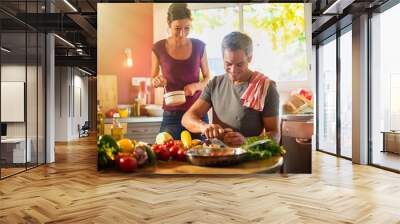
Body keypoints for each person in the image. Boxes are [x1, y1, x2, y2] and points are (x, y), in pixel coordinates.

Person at [182, 32, 280, 147]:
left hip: (249, 156)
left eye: (239, 64)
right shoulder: (214, 84)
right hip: (219, 154)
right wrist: (204, 126)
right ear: (222, 58)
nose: (233, 70)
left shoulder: (266, 88)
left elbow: (275, 135)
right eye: (228, 64)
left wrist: (247, 141)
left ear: (250, 58)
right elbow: (186, 118)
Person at [151, 3, 211, 140]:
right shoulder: (158, 47)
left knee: (201, 152)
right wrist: (158, 81)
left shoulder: (199, 46)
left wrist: (196, 86)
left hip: (197, 112)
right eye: (177, 28)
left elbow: (207, 78)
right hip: (171, 115)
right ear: (169, 24)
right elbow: (153, 79)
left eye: (187, 28)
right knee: (166, 154)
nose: (182, 33)